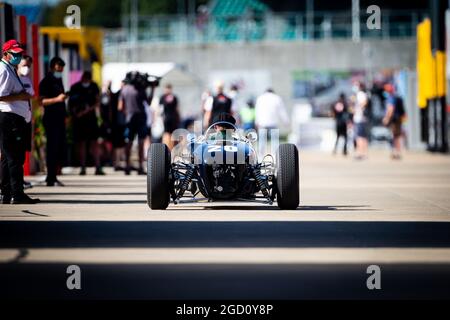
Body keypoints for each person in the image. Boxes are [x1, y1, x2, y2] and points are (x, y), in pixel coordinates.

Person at [0, 39, 39, 204]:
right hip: (10, 118)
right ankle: (17, 193)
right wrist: (21, 96)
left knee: (8, 158)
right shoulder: (4, 70)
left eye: (20, 54)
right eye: (15, 54)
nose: (18, 57)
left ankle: (7, 192)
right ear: (6, 54)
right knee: (14, 158)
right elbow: (1, 95)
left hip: (15, 118)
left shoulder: (10, 68)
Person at [39, 57, 68, 186]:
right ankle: (50, 177)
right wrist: (57, 99)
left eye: (62, 68)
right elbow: (42, 101)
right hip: (51, 119)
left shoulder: (59, 80)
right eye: (58, 68)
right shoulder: (46, 82)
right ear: (51, 67)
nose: (60, 70)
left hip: (60, 119)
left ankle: (54, 176)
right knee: (52, 148)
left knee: (58, 148)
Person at [69, 71, 104, 175]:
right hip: (79, 120)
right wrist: (77, 113)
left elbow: (98, 101)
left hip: (91, 119)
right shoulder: (75, 87)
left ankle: (98, 167)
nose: (86, 81)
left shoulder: (94, 86)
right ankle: (83, 167)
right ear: (82, 78)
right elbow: (71, 104)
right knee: (81, 144)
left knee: (94, 143)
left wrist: (89, 109)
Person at [118, 72, 148, 175]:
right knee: (141, 142)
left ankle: (127, 165)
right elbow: (148, 102)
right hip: (141, 118)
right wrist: (152, 89)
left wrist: (127, 113)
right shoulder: (141, 89)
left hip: (129, 119)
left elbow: (120, 107)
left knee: (128, 142)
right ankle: (140, 166)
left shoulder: (124, 89)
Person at [18, 55, 35, 189]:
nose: (26, 68)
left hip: (26, 118)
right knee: (10, 153)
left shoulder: (27, 80)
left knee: (22, 151)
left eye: (28, 66)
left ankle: (20, 179)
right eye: (24, 65)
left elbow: (30, 96)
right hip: (14, 119)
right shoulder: (12, 78)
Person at [383, 83, 405, 160]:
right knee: (397, 136)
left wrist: (386, 118)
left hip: (394, 120)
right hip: (398, 119)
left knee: (394, 136)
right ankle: (398, 152)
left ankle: (396, 153)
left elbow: (390, 109)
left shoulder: (391, 98)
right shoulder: (396, 97)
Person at [352, 82, 370, 160]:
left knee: (359, 136)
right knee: (362, 136)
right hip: (361, 118)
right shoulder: (362, 94)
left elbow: (364, 103)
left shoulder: (360, 94)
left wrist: (357, 109)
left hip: (360, 118)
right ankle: (363, 153)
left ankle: (360, 153)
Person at [159, 83, 180, 150]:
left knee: (169, 134)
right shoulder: (169, 97)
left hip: (170, 118)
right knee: (168, 134)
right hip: (169, 118)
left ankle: (169, 149)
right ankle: (169, 149)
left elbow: (160, 109)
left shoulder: (164, 97)